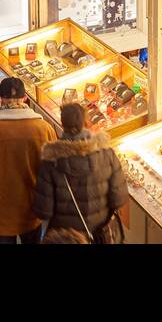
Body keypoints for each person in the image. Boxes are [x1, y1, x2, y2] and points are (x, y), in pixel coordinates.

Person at [0, 77, 56, 244]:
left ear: (1, 99)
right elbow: (53, 173)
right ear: (25, 99)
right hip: (33, 210)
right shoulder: (45, 129)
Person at [33, 103, 128, 243]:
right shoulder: (107, 154)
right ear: (85, 122)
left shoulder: (51, 162)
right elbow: (119, 199)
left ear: (62, 124)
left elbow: (43, 210)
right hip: (99, 234)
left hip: (66, 237)